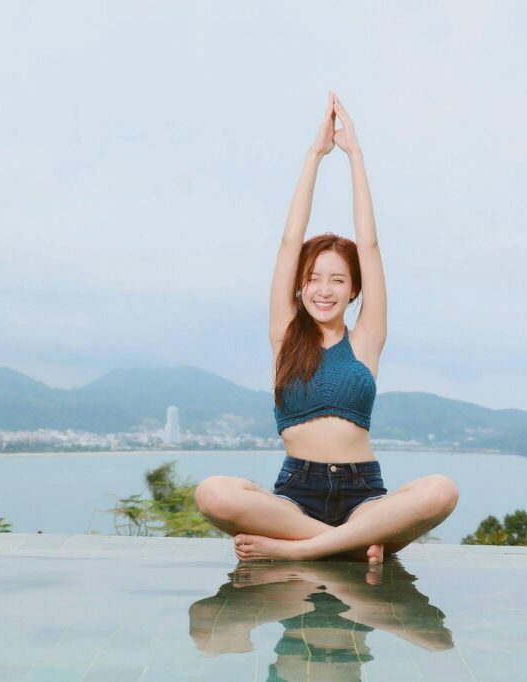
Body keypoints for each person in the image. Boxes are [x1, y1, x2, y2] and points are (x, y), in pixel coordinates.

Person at [194, 91, 459, 565]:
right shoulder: (284, 335)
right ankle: (345, 548)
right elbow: (288, 241)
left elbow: (371, 245)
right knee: (213, 493)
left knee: (441, 490)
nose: (324, 289)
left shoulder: (365, 340)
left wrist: (355, 155)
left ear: (354, 290)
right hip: (297, 496)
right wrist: (315, 156)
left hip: (365, 498)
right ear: (299, 285)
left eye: (338, 279)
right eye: (314, 278)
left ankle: (304, 552)